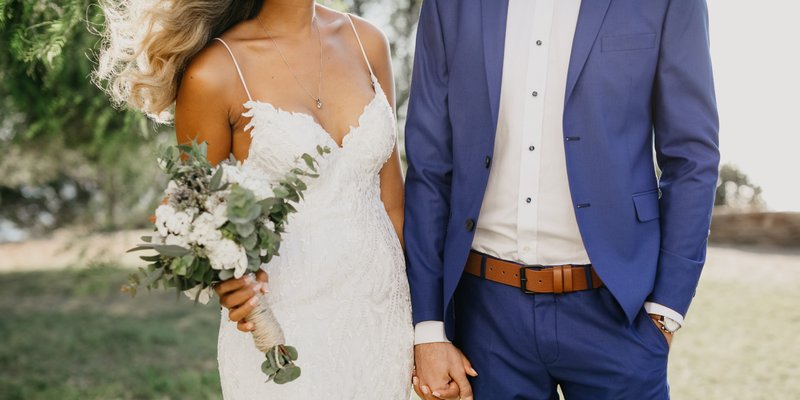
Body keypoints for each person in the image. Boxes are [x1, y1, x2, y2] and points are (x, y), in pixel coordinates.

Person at [95, 1, 413, 398]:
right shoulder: (213, 73)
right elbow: (197, 217)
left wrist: (429, 328)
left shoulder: (368, 42)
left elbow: (393, 203)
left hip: (385, 318)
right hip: (285, 322)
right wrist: (227, 282)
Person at [404, 0, 720, 399]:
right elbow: (429, 166)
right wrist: (429, 328)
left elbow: (692, 157)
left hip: (619, 316)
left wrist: (665, 313)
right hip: (486, 322)